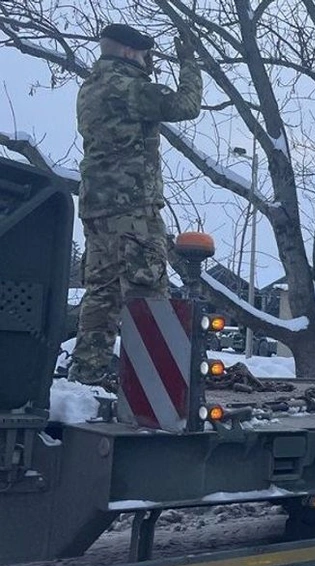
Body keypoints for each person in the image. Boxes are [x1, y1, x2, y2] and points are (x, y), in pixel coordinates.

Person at [69, 23, 203, 388]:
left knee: (102, 292)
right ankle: (155, 383)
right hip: (132, 209)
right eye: (145, 56)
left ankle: (87, 372)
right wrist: (189, 60)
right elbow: (186, 106)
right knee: (147, 291)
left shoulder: (91, 88)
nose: (148, 62)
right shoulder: (130, 88)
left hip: (96, 209)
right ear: (130, 52)